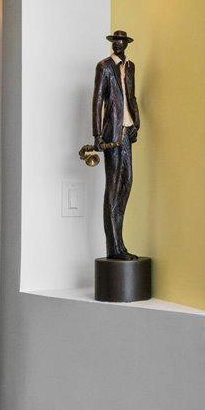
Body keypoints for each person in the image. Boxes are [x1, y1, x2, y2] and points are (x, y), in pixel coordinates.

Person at [91, 30, 141, 260]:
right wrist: (97, 134)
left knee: (126, 184)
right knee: (112, 189)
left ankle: (120, 245)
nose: (118, 44)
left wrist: (137, 123)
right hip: (112, 135)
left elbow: (131, 96)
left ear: (126, 44)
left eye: (122, 41)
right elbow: (98, 100)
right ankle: (114, 248)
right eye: (115, 41)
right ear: (113, 44)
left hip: (127, 132)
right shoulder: (104, 67)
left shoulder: (130, 67)